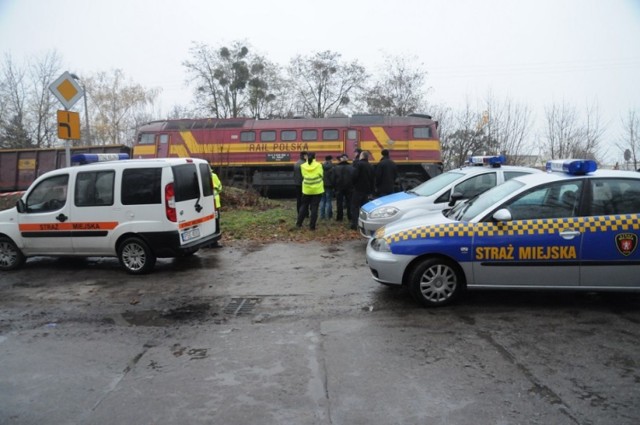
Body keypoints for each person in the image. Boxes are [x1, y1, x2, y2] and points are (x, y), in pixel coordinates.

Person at [296, 152, 324, 230]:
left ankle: (298, 224)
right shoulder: (319, 165)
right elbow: (321, 175)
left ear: (307, 157)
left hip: (307, 190)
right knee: (314, 208)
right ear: (315, 156)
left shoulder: (303, 166)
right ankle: (312, 227)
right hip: (317, 189)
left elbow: (303, 176)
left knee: (304, 206)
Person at [350, 151, 375, 230]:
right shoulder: (370, 166)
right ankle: (364, 224)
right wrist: (371, 191)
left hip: (358, 189)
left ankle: (355, 224)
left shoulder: (358, 164)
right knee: (364, 208)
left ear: (362, 156)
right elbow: (373, 179)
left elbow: (354, 176)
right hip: (366, 190)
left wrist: (353, 184)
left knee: (354, 207)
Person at [334, 153, 353, 222]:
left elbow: (333, 178)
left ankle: (339, 217)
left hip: (339, 187)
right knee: (349, 202)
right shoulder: (351, 167)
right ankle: (350, 216)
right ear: (347, 159)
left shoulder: (336, 168)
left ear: (341, 159)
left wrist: (335, 186)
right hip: (349, 188)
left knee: (339, 203)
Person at [319, 155, 335, 220]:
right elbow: (333, 177)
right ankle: (328, 216)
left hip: (322, 185)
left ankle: (321, 216)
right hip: (329, 186)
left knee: (322, 200)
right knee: (328, 201)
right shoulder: (332, 167)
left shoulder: (321, 166)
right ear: (330, 159)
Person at [210, 169, 223, 248]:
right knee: (215, 223)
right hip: (214, 204)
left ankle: (206, 243)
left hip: (204, 204)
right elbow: (220, 187)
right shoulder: (213, 176)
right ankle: (214, 242)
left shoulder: (201, 176)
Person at [293, 151, 308, 217]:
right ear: (304, 156)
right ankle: (305, 214)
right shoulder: (305, 164)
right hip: (304, 184)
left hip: (297, 184)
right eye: (306, 156)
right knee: (305, 199)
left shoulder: (296, 163)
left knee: (298, 199)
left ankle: (299, 213)